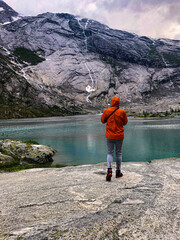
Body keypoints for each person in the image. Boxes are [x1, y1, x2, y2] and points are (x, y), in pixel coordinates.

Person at [101, 96, 128, 181]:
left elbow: (102, 121)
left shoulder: (106, 111)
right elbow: (125, 122)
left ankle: (109, 171)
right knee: (119, 153)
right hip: (119, 136)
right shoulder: (122, 112)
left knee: (110, 153)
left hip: (110, 136)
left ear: (112, 102)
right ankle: (118, 172)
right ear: (118, 103)